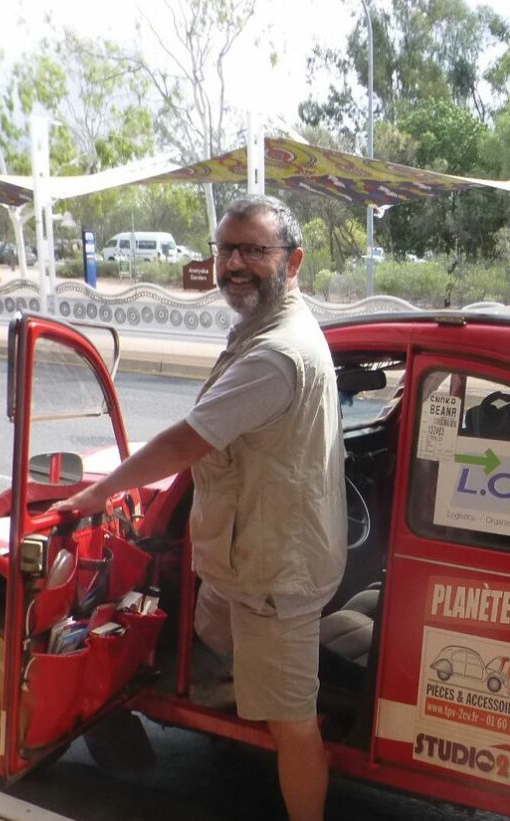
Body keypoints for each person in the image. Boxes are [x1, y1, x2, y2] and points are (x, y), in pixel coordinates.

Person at [51, 194, 345, 821]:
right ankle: (225, 703)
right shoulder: (265, 327)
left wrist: (102, 491)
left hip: (273, 573)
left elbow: (187, 440)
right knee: (205, 626)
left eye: (254, 251)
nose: (236, 263)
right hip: (249, 556)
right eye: (226, 249)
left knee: (294, 727)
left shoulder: (275, 353)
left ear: (292, 262)